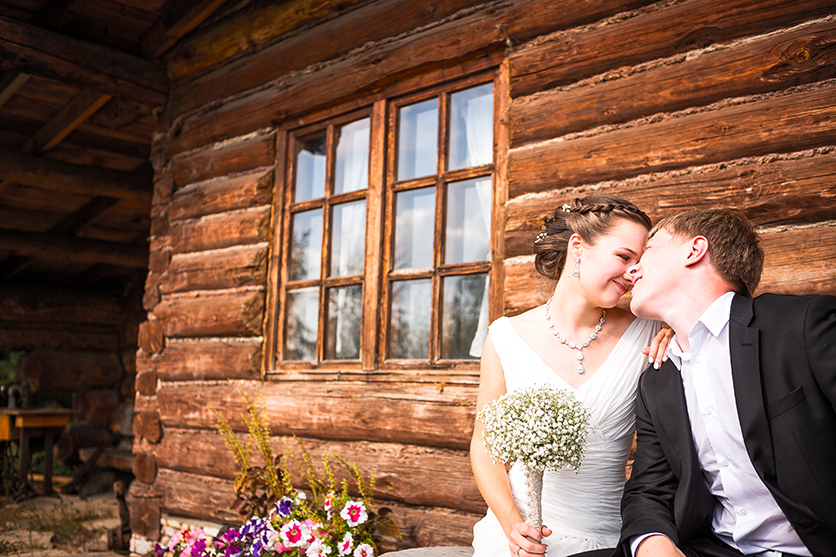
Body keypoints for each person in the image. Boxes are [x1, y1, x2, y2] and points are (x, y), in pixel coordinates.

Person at [606, 208, 836, 557]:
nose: (632, 269)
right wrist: (653, 545)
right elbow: (648, 490)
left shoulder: (803, 326)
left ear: (694, 250)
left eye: (648, 250)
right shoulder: (656, 379)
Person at [470, 195, 672, 557]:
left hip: (607, 536)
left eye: (639, 263)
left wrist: (680, 330)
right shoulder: (504, 336)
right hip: (518, 532)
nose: (633, 272)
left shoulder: (650, 333)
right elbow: (486, 449)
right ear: (578, 247)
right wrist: (512, 525)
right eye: (624, 257)